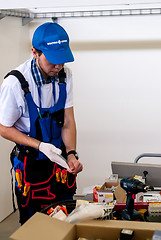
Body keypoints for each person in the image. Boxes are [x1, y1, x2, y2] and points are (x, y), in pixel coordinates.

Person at [0, 22, 83, 224]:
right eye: (53, 61)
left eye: (62, 61)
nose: (58, 67)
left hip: (59, 161)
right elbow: (3, 127)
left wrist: (71, 153)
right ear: (35, 52)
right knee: (36, 223)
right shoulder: (15, 83)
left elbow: (68, 120)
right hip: (31, 163)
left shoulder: (65, 75)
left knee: (65, 218)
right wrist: (39, 145)